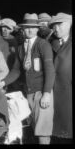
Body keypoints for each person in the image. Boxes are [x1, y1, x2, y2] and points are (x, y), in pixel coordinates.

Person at [17, 13, 55, 144]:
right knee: (33, 129)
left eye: (32, 27)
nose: (29, 30)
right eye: (26, 27)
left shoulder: (43, 44)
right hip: (28, 93)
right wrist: (2, 81)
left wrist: (46, 94)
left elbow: (50, 71)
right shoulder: (20, 48)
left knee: (43, 132)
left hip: (41, 93)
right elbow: (16, 70)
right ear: (22, 29)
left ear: (37, 29)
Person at [48, 13, 72, 143]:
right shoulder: (51, 43)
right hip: (53, 91)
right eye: (54, 26)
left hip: (68, 91)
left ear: (69, 25)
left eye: (59, 25)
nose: (56, 28)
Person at [0, 18, 21, 92]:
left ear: (12, 30)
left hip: (12, 72)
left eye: (8, 28)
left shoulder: (15, 41)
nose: (4, 30)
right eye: (3, 28)